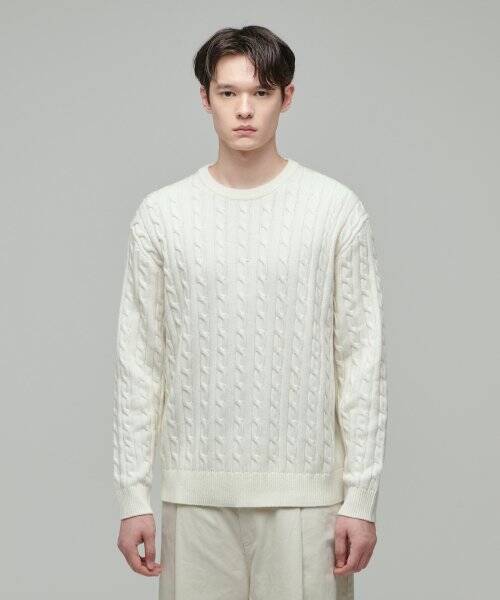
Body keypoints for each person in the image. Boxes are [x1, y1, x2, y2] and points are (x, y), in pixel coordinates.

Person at [113, 25, 388, 600]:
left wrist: (360, 498)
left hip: (307, 500)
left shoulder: (334, 209)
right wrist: (133, 495)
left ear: (287, 97)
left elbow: (361, 361)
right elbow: (140, 362)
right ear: (205, 98)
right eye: (228, 92)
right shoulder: (162, 216)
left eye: (261, 93)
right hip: (194, 497)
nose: (244, 110)